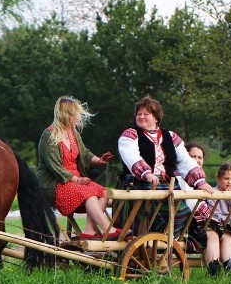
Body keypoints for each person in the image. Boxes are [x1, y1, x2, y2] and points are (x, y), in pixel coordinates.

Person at [117, 96, 214, 237]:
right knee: (149, 215)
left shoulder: (171, 136)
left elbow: (185, 161)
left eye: (146, 114)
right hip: (139, 184)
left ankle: (168, 238)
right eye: (139, 114)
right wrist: (146, 173)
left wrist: (200, 182)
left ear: (156, 117)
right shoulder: (130, 135)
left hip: (168, 185)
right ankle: (150, 236)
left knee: (182, 212)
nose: (141, 117)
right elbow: (131, 156)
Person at [36, 96, 119, 240]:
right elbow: (55, 167)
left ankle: (89, 231)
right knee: (89, 193)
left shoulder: (72, 132)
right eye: (76, 115)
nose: (78, 119)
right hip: (55, 183)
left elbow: (85, 154)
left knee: (104, 192)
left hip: (75, 181)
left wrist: (99, 160)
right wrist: (77, 179)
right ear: (66, 115)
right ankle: (108, 229)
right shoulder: (49, 135)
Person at [201, 162, 231, 275]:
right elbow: (215, 216)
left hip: (228, 229)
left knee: (228, 239)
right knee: (215, 235)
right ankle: (214, 273)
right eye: (226, 178)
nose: (229, 182)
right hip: (213, 226)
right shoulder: (213, 193)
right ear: (219, 178)